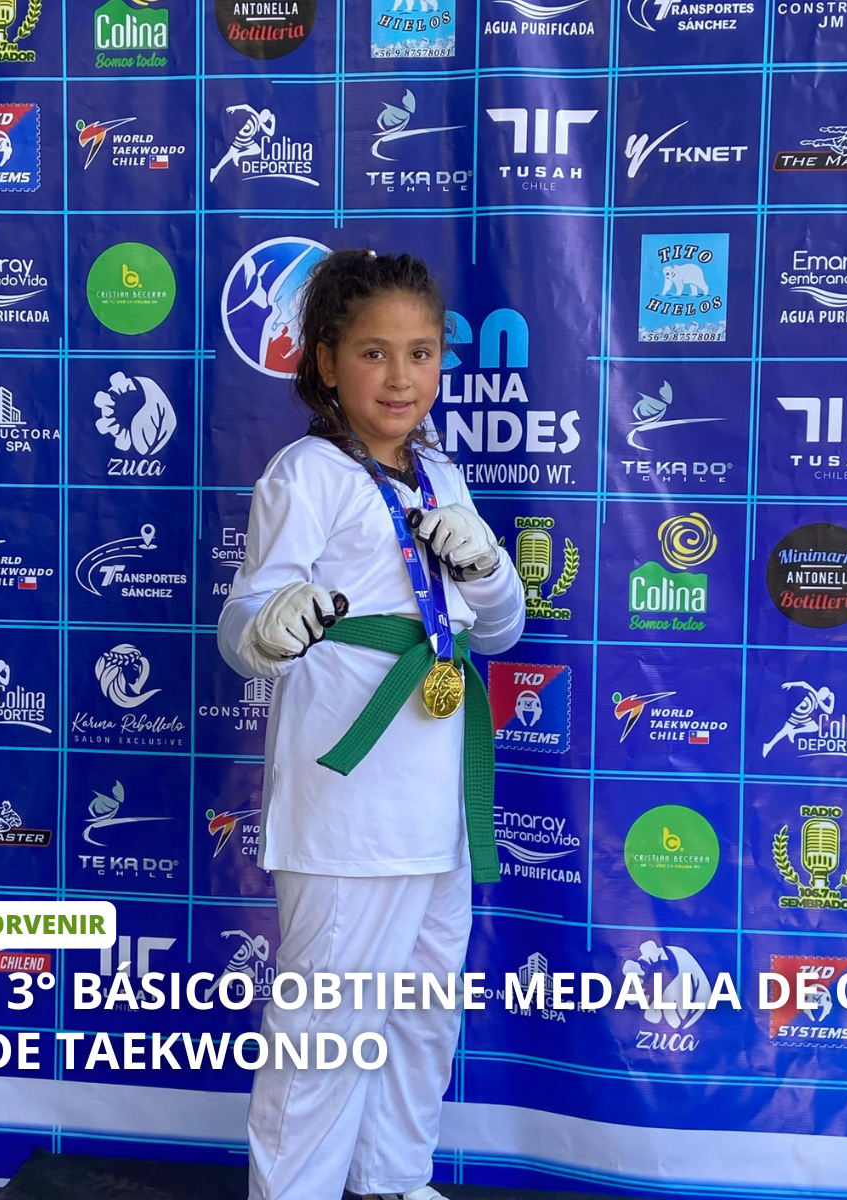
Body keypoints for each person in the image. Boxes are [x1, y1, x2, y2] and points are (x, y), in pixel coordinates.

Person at [217, 249, 527, 1200]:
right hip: (348, 811)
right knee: (326, 1035)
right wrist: (268, 627)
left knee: (423, 1015)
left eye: (422, 353)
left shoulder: (439, 471)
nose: (401, 378)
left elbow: (502, 631)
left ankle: (391, 1181)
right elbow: (242, 625)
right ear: (323, 365)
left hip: (437, 812)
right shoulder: (306, 474)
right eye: (374, 354)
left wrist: (486, 569)